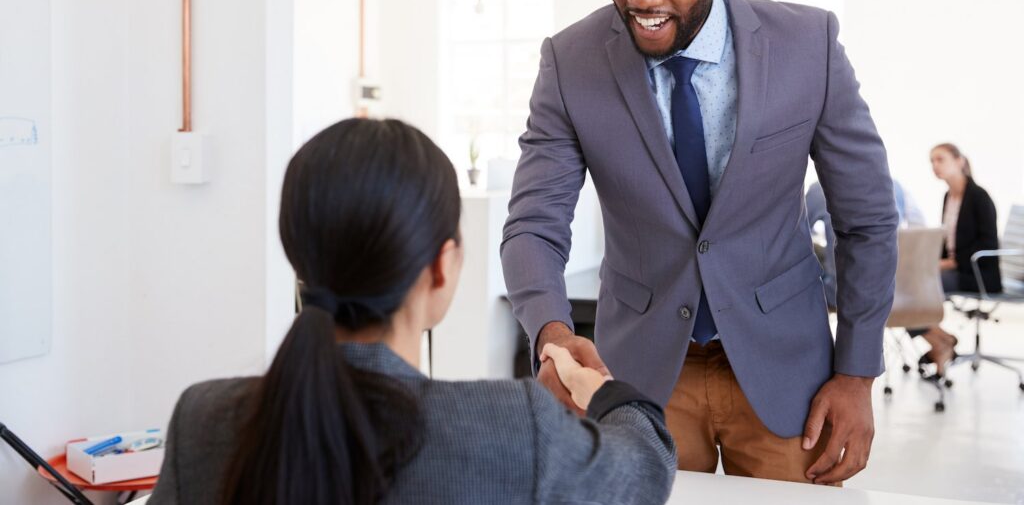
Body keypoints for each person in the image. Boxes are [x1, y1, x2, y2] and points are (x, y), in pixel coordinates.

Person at [501, 0, 898, 486]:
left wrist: (857, 372)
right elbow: (532, 225)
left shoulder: (808, 45)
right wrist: (551, 333)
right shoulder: (569, 62)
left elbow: (867, 219)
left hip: (786, 370)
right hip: (637, 373)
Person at [148, 118, 675, 505]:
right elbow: (646, 471)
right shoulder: (511, 427)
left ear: (298, 262)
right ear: (441, 268)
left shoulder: (200, 420)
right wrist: (603, 392)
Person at [909, 143, 1001, 374]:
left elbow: (988, 243)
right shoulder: (948, 197)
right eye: (932, 161)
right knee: (901, 284)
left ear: (959, 161)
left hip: (977, 274)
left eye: (940, 159)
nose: (935, 166)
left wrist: (953, 263)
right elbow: (948, 242)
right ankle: (943, 340)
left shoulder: (979, 197)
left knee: (911, 291)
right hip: (954, 269)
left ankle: (941, 345)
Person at [806, 179, 925, 309]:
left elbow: (800, 230)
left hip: (841, 291)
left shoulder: (819, 187)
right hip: (893, 289)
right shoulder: (896, 186)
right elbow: (918, 230)